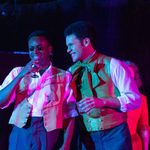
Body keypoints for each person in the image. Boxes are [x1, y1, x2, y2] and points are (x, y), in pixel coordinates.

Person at [63, 20, 141, 150]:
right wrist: (74, 107)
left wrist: (103, 102)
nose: (68, 50)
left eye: (71, 45)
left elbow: (135, 99)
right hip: (87, 138)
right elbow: (68, 108)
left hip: (116, 136)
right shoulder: (70, 72)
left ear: (85, 42)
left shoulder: (114, 65)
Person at [0, 30, 77, 150]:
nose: (35, 52)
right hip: (21, 130)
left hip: (48, 132)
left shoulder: (64, 76)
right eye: (31, 49)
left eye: (39, 48)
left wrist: (66, 144)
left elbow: (70, 114)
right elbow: (1, 101)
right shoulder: (18, 72)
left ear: (50, 50)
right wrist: (22, 74)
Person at [125, 60, 149, 150]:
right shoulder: (112, 96)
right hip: (117, 143)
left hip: (134, 145)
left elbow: (144, 128)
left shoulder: (141, 98)